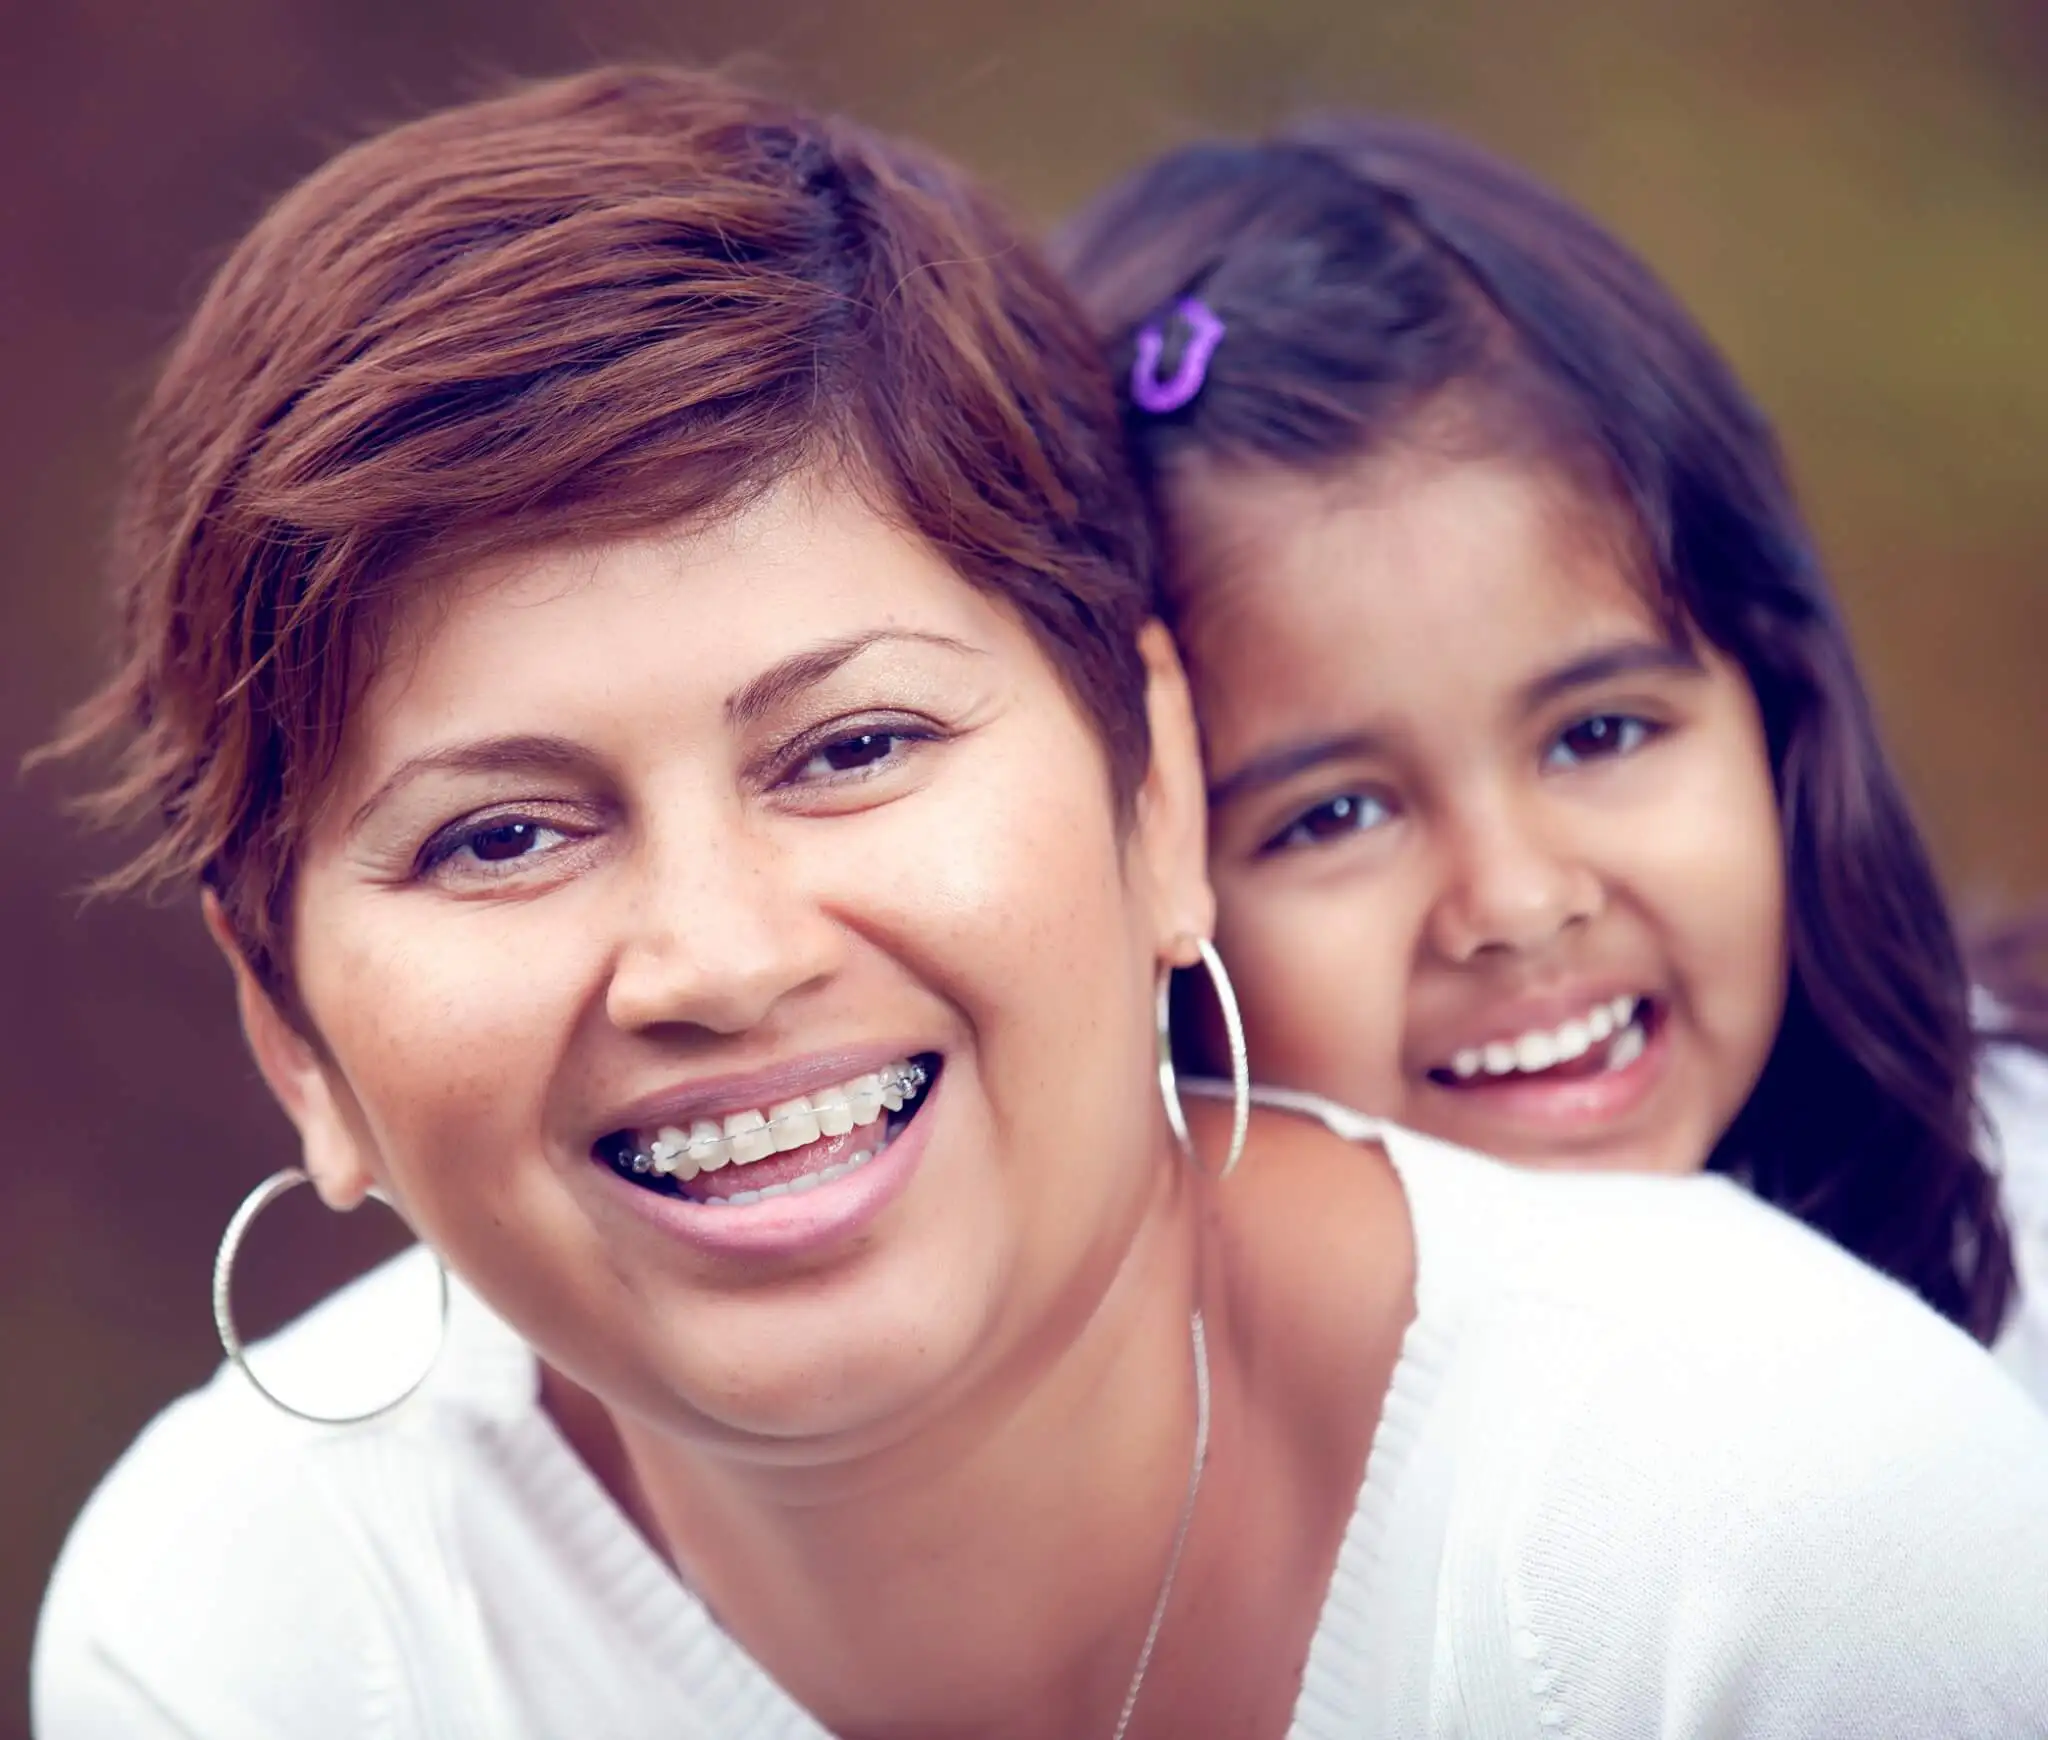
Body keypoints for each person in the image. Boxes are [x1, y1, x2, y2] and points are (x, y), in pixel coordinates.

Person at [31, 68, 2048, 1740]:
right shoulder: (235, 1642)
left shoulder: (1793, 1532)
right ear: (288, 1028)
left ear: (1145, 790)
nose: (724, 960)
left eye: (850, 747)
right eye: (500, 838)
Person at [1053, 116, 2048, 1394]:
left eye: (1597, 734)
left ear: (1777, 711)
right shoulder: (1175, 1473)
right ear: (1148, 888)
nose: (1514, 905)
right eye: (1333, 815)